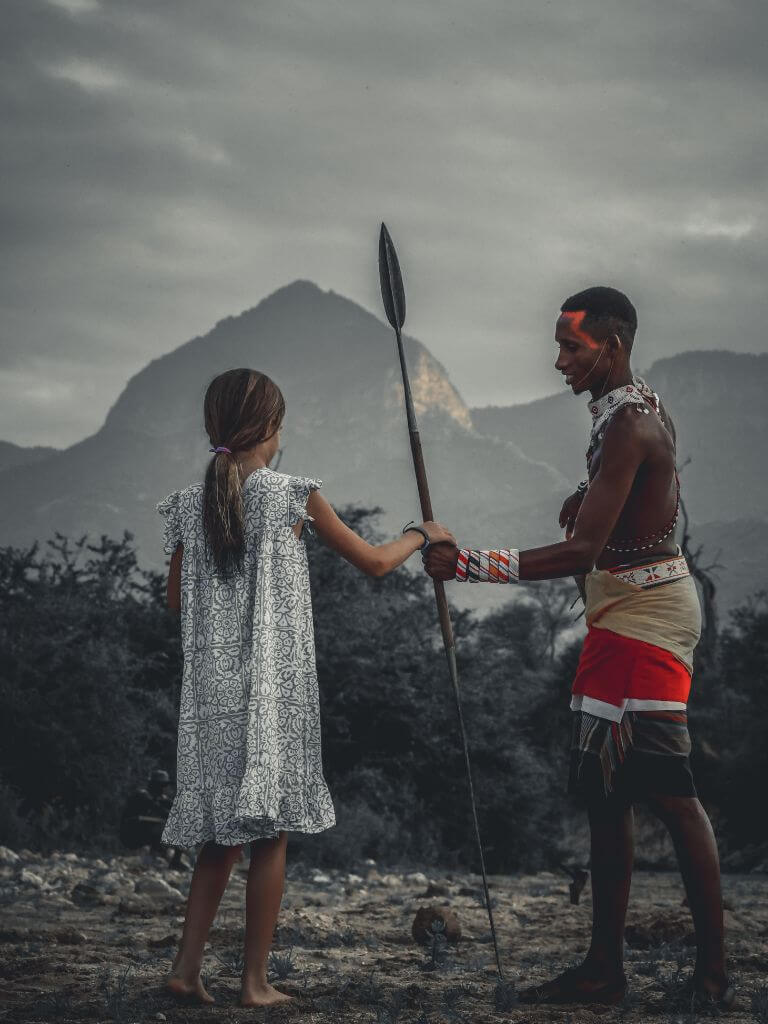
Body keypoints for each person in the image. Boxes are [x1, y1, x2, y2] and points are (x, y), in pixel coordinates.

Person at [424, 286, 733, 1010]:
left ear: (612, 346)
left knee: (669, 791)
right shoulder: (626, 412)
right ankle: (602, 970)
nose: (559, 360)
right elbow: (644, 504)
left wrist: (463, 563)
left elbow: (585, 550)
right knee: (605, 791)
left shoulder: (629, 422)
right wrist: (586, 491)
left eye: (573, 347)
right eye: (561, 346)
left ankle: (715, 978)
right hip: (619, 616)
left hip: (646, 620)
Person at [156, 367, 453, 1008]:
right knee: (269, 834)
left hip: (211, 698)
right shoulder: (290, 495)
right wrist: (421, 534)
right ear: (270, 428)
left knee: (220, 835)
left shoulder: (187, 506)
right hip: (272, 688)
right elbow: (374, 563)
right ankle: (255, 984)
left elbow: (177, 602)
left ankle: (185, 971)